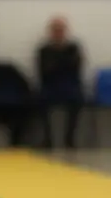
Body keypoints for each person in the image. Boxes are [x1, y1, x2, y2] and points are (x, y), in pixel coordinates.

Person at [36, 17, 84, 149]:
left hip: (69, 85)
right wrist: (62, 64)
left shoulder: (73, 48)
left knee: (77, 99)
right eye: (55, 30)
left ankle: (69, 139)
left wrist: (57, 64)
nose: (58, 33)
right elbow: (44, 72)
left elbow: (76, 69)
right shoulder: (43, 50)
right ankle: (47, 139)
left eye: (60, 30)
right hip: (50, 86)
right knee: (39, 100)